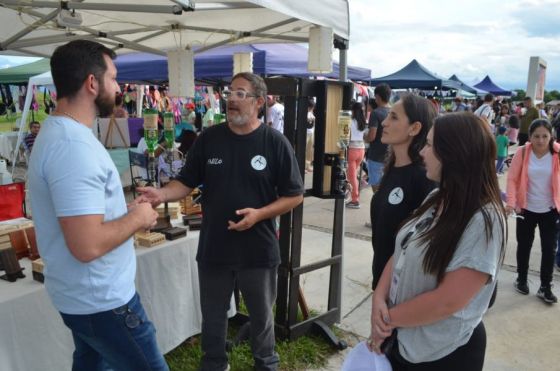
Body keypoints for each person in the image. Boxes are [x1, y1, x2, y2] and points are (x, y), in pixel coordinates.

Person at [134, 72, 304, 371]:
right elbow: (185, 182)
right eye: (230, 94)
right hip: (215, 248)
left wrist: (259, 215)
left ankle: (266, 365)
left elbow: (294, 195)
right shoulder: (209, 139)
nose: (232, 101)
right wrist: (160, 194)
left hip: (258, 251)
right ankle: (214, 365)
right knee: (212, 320)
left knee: (262, 320)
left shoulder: (275, 143)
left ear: (260, 102)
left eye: (241, 94)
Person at [27, 40, 167, 370]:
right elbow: (87, 245)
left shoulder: (60, 134)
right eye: (114, 79)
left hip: (84, 296)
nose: (118, 88)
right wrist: (138, 218)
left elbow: (83, 220)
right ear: (92, 83)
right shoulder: (72, 146)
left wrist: (127, 212)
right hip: (103, 301)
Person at [370, 112, 507, 370]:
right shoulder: (436, 198)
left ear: (455, 154)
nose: (422, 152)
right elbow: (404, 248)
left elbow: (448, 300)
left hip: (443, 352)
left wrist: (386, 320)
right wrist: (380, 297)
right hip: (405, 337)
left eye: (431, 145)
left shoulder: (484, 220)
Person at [369, 94, 437, 289]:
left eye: (394, 117)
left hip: (406, 289)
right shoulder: (392, 169)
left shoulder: (425, 178)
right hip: (383, 283)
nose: (384, 122)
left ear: (414, 128)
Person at [506, 119, 559, 304]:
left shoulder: (557, 153)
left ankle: (545, 286)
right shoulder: (522, 152)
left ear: (551, 136)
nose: (541, 140)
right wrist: (511, 203)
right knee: (524, 245)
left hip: (550, 210)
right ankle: (521, 278)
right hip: (526, 208)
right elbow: (512, 179)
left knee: (549, 249)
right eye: (536, 136)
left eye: (545, 136)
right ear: (530, 137)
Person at [364, 83, 391, 192]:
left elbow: (371, 136)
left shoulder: (376, 113)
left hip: (376, 156)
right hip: (390, 156)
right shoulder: (393, 112)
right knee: (387, 188)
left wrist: (365, 136)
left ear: (378, 97)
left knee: (377, 190)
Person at [305, 98, 316, 173]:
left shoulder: (310, 112)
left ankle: (308, 165)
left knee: (310, 150)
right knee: (304, 150)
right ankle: (302, 166)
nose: (311, 108)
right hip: (305, 133)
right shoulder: (303, 112)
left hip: (311, 132)